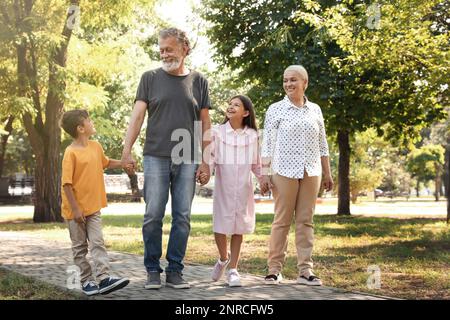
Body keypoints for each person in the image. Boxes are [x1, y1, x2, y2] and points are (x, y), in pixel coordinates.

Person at [121, 27, 212, 290]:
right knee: (153, 215)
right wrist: (127, 150)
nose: (164, 54)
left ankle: (175, 271)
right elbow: (137, 116)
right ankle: (152, 270)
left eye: (169, 49)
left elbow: (205, 124)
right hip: (155, 156)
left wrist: (206, 160)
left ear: (184, 48)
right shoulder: (149, 78)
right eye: (161, 49)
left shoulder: (199, 81)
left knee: (182, 216)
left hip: (188, 157)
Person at [260, 65, 333, 286]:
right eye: (285, 80)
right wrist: (264, 174)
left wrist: (328, 172)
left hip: (311, 171)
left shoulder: (315, 110)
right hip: (283, 171)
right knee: (281, 221)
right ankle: (274, 270)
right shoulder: (275, 109)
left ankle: (305, 271)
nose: (289, 84)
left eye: (293, 80)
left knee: (306, 221)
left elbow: (323, 144)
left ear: (305, 83)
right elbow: (267, 144)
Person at [61, 109, 130, 296]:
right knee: (80, 247)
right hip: (74, 211)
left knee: (97, 241)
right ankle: (86, 281)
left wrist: (124, 163)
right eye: (89, 121)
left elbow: (105, 163)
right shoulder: (70, 152)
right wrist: (76, 209)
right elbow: (66, 184)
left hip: (93, 207)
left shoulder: (96, 146)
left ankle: (104, 278)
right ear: (81, 128)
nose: (92, 123)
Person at [206, 95, 267, 287]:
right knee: (220, 226)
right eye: (230, 104)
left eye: (236, 105)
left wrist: (264, 178)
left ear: (246, 112)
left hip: (243, 188)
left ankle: (233, 269)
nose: (231, 106)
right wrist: (205, 172)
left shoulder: (252, 135)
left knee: (238, 227)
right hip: (224, 188)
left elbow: (256, 163)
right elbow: (211, 158)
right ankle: (223, 258)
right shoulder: (217, 132)